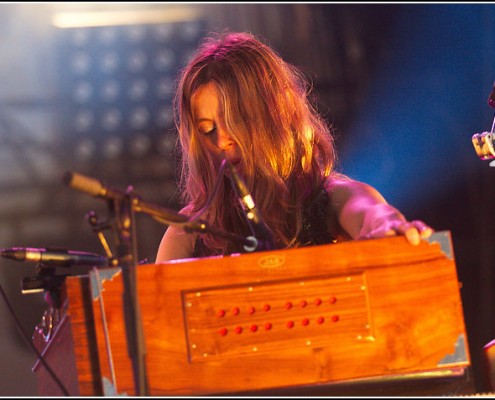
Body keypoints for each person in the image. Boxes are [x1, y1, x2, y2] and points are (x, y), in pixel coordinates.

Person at [155, 31, 433, 263]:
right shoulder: (188, 232)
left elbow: (369, 211)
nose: (222, 140)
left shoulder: (330, 198)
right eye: (208, 130)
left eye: (236, 121)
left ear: (272, 116)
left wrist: (387, 224)